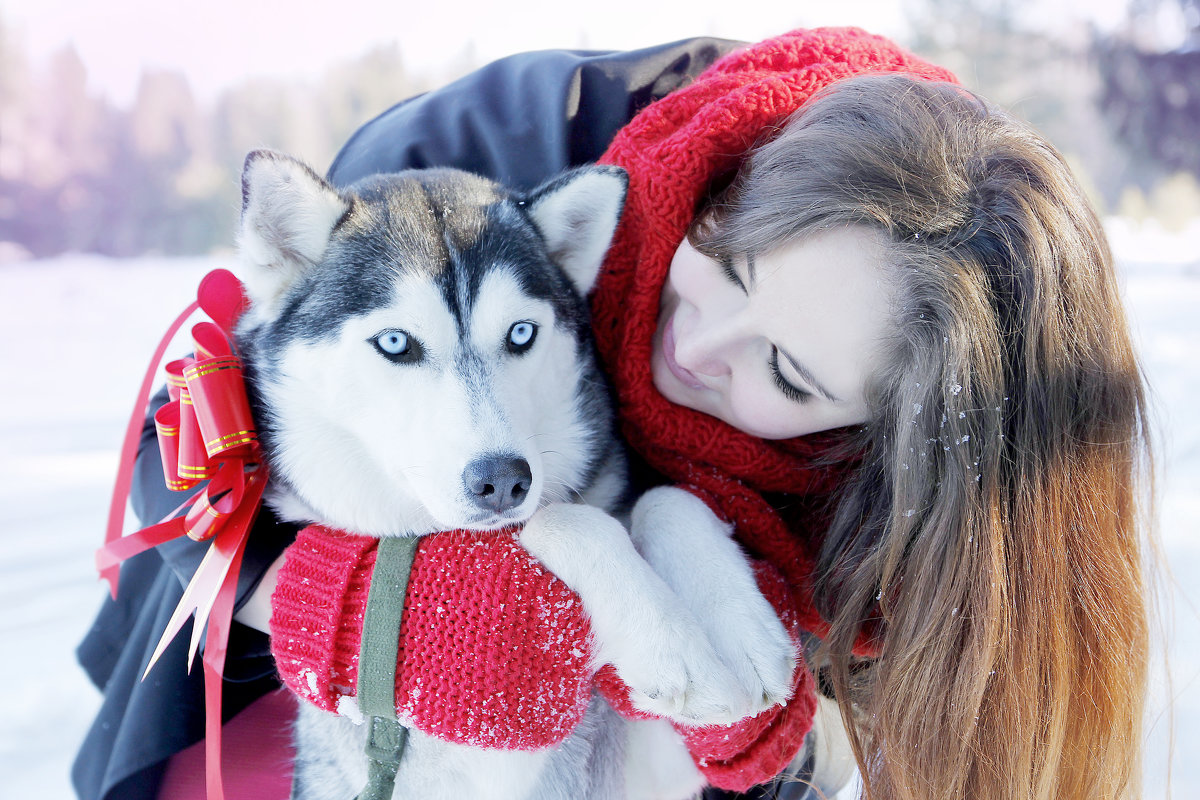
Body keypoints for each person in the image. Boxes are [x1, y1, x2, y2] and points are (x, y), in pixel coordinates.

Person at [73, 26, 1152, 800]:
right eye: (726, 269)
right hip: (265, 696)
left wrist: (777, 748)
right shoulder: (506, 151)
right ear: (733, 187)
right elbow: (193, 400)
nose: (698, 345)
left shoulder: (918, 496)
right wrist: (331, 600)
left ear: (881, 436)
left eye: (784, 371)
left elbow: (875, 720)